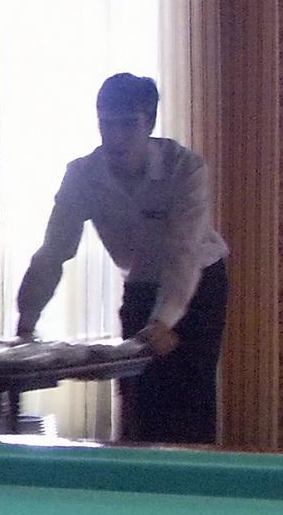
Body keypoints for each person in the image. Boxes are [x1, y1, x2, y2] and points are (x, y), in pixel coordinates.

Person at [14, 74, 228, 444]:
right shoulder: (81, 175)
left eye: (128, 124)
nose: (115, 137)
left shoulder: (185, 168)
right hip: (140, 281)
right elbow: (53, 252)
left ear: (150, 123)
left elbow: (183, 253)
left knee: (189, 398)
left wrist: (163, 322)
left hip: (200, 284)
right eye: (106, 123)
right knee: (136, 397)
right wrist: (26, 324)